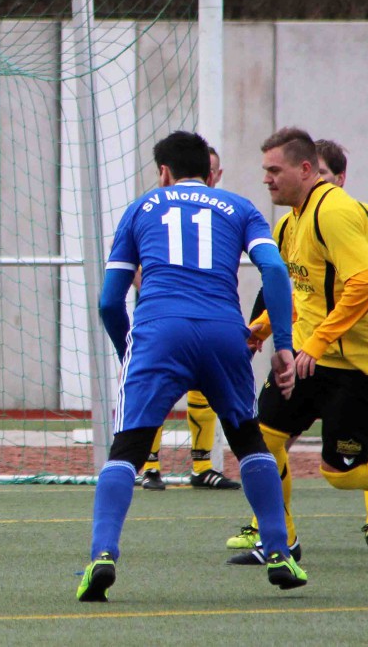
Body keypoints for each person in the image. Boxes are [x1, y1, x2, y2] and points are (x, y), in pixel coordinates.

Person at [77, 130, 306, 602]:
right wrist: (282, 344)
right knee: (248, 440)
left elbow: (108, 302)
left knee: (128, 449)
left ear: (164, 172)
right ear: (209, 170)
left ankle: (102, 555)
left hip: (160, 330)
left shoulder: (142, 207)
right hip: (225, 331)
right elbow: (277, 272)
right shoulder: (241, 208)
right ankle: (280, 550)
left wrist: (130, 351)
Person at [224, 127, 368, 568]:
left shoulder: (338, 214)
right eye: (264, 170)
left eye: (273, 170)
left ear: (309, 172)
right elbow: (301, 295)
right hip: (309, 355)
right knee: (262, 441)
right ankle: (282, 542)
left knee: (342, 474)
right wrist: (259, 329)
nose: (266, 178)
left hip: (359, 365)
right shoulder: (289, 223)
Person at [140, 146, 242, 492]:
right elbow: (135, 266)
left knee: (204, 386)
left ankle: (202, 465)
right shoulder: (153, 208)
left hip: (206, 315)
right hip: (164, 315)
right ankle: (149, 466)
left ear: (216, 174)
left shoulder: (224, 213)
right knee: (156, 386)